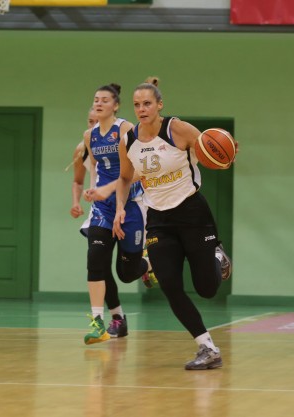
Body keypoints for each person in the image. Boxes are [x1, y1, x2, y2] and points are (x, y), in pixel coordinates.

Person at [112, 77, 233, 370]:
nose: (141, 109)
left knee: (206, 289)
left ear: (159, 105)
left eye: (147, 103)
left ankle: (217, 256)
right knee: (170, 285)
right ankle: (208, 347)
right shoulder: (128, 141)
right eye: (137, 105)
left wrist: (225, 152)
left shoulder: (176, 129)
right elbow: (125, 178)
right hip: (158, 220)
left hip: (192, 213)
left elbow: (209, 149)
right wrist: (119, 209)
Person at [80, 83, 154, 345]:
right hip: (103, 207)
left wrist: (117, 202)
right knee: (96, 259)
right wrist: (93, 190)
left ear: (116, 105)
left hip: (130, 202)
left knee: (126, 273)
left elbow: (136, 172)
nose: (99, 103)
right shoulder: (89, 136)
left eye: (104, 100)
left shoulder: (125, 129)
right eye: (96, 99)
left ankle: (148, 264)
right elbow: (94, 168)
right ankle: (98, 322)